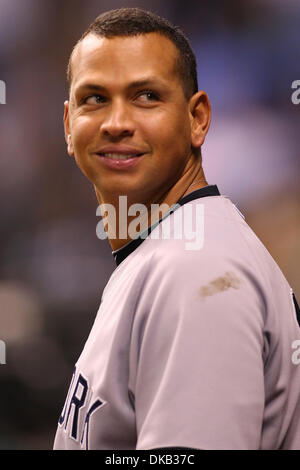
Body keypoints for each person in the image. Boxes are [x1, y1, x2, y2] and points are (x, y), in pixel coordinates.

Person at [53, 8, 300, 450]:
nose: (117, 122)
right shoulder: (168, 252)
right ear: (69, 125)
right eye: (95, 98)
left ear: (198, 119)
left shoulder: (195, 272)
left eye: (146, 96)